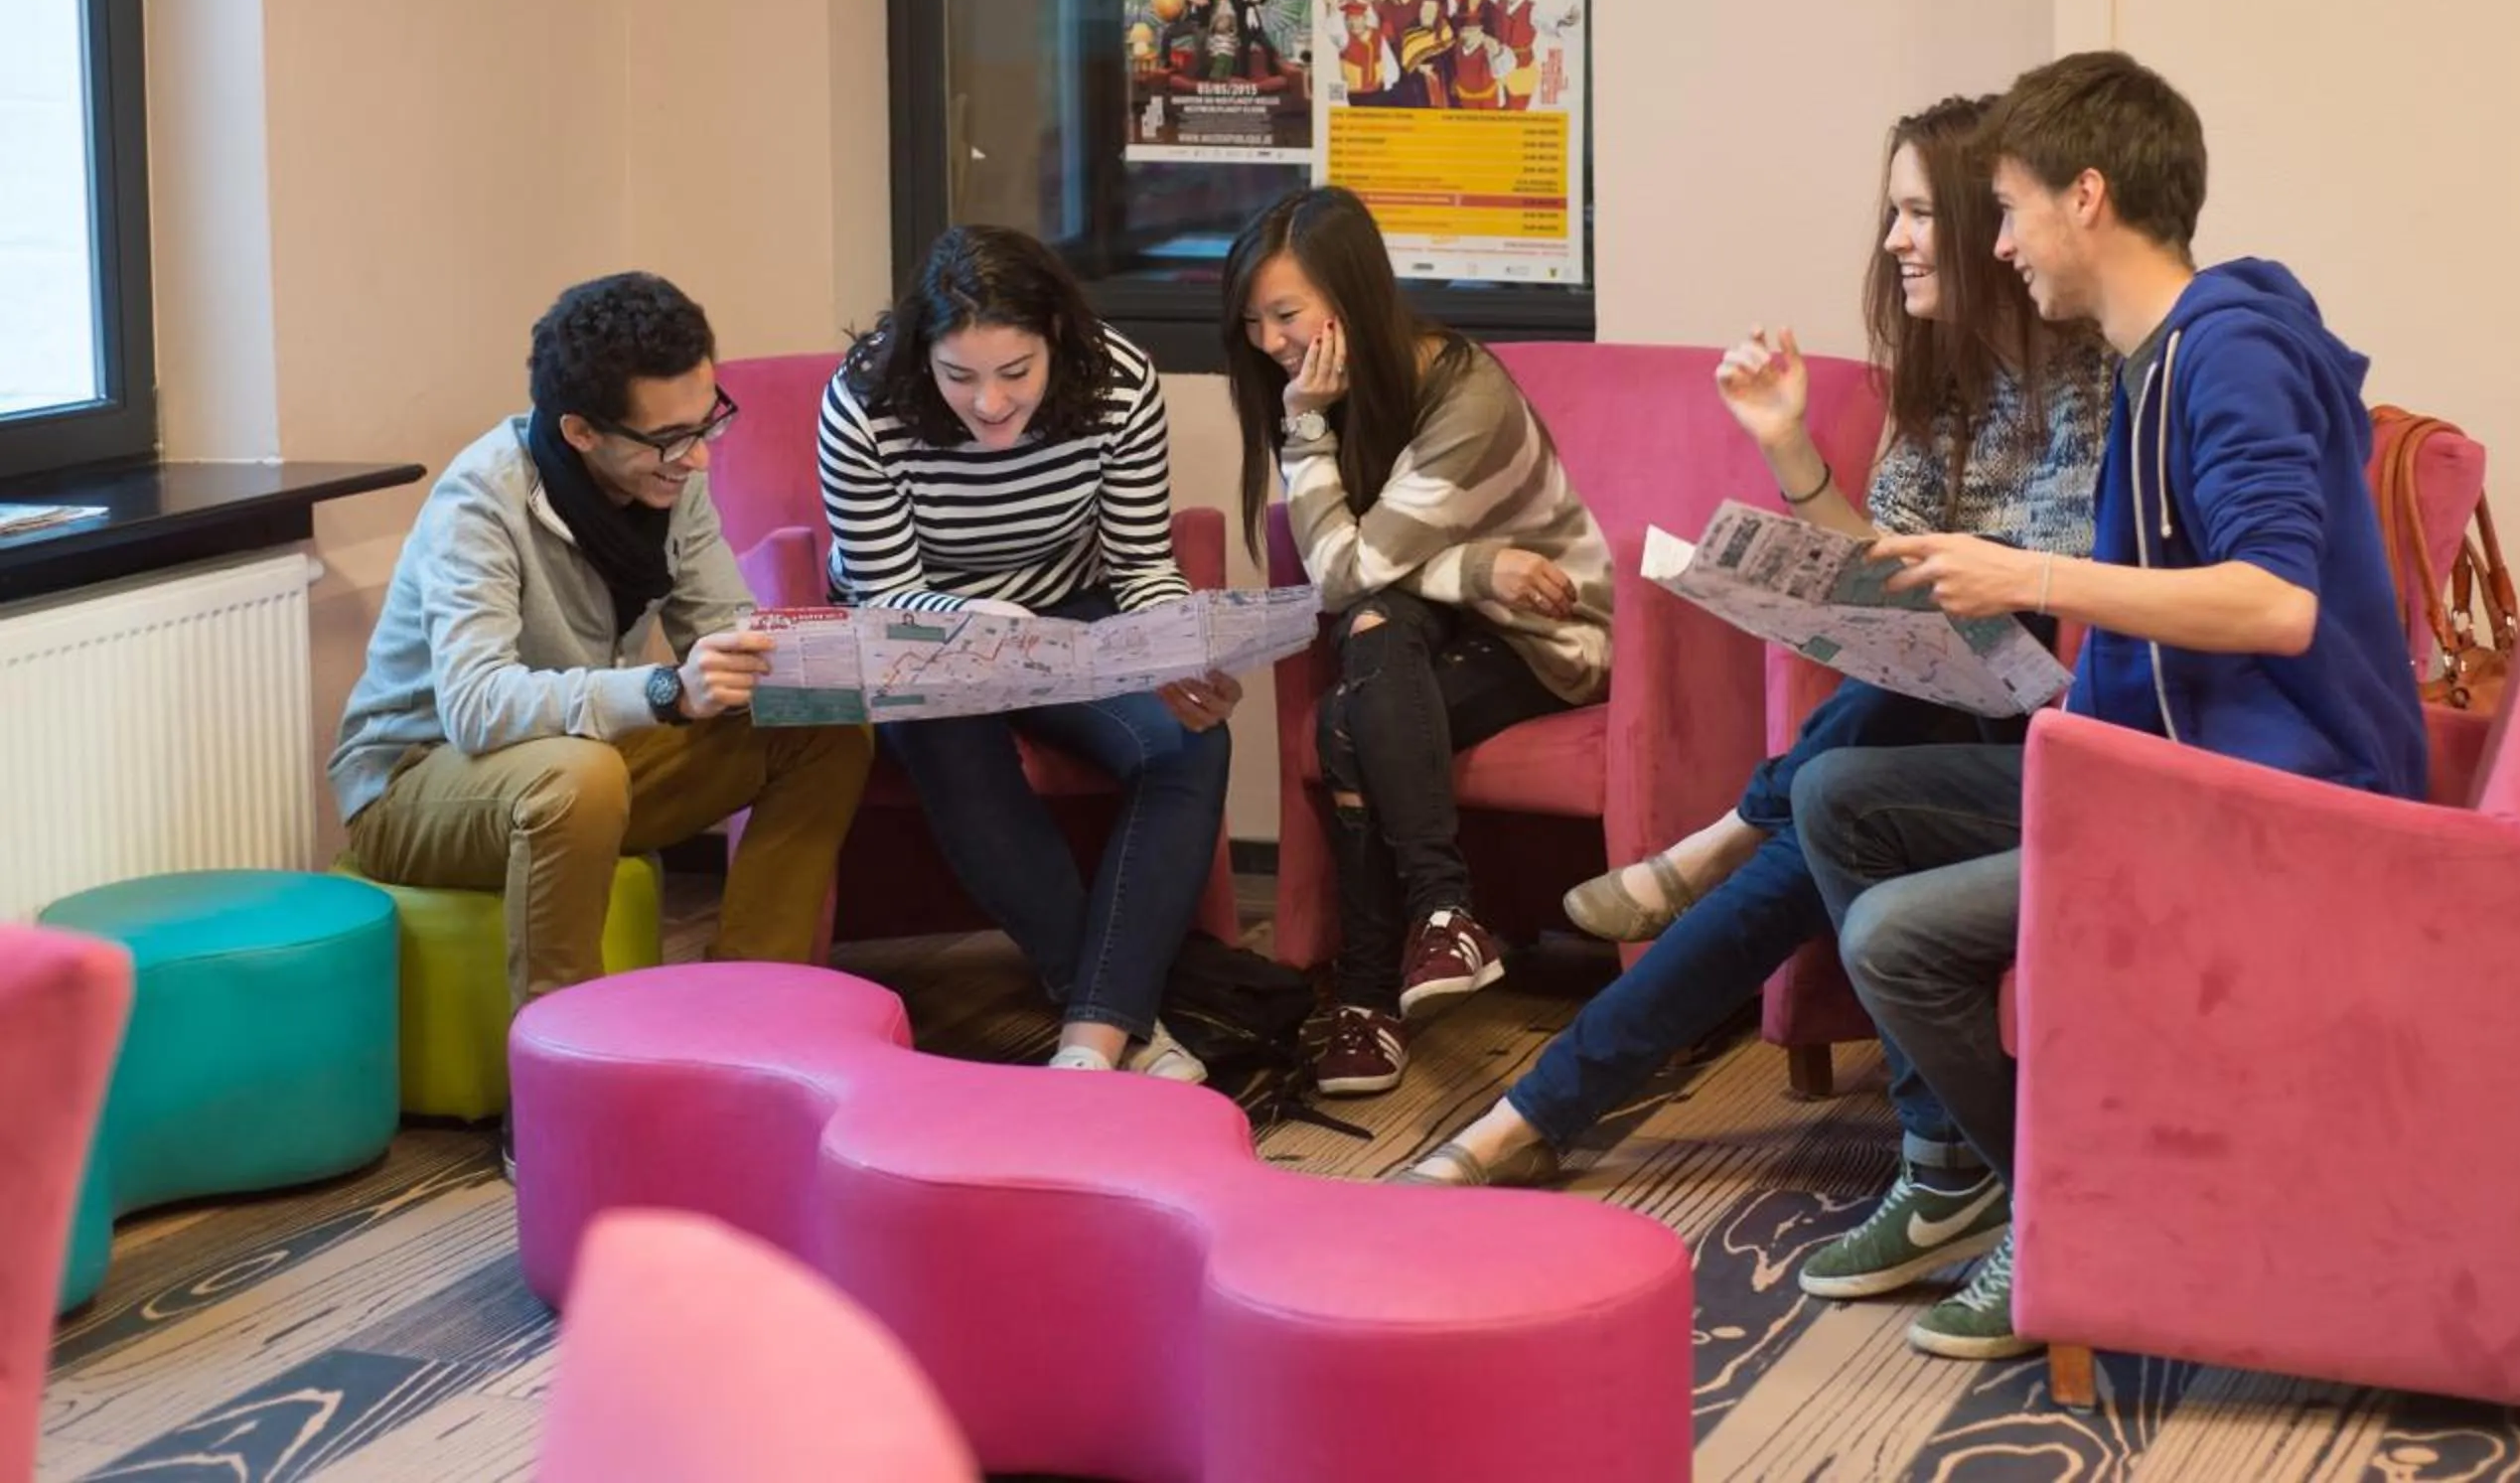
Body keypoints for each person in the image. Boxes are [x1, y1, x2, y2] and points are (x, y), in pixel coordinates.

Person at [1795, 50, 2428, 1359]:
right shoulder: (2155, 359)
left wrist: (2027, 574)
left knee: (1898, 939)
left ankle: (2065, 1211)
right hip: (2169, 775)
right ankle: (1969, 1175)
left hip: (2276, 808)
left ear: (2087, 197)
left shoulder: (2228, 360)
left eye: (2013, 207)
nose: (2003, 242)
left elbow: (2275, 604)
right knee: (1839, 795)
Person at [1394, 95, 2113, 1193]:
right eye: (1896, 213)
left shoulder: (2100, 383)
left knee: (1834, 781)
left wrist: (1964, 592)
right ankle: (1539, 1106)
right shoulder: (1950, 386)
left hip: (2062, 734)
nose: (1894, 241)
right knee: (1822, 810)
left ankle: (1690, 882)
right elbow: (1890, 574)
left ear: (1990, 223)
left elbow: (2057, 602)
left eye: (1920, 215)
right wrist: (1786, 443)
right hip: (1946, 719)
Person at [332, 274, 871, 1071]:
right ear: (581, 431)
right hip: (416, 785)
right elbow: (476, 707)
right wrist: (665, 690)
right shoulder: (480, 501)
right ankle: (560, 1080)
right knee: (576, 777)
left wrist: (841, 660)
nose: (694, 457)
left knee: (821, 726)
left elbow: (721, 627)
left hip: (581, 767)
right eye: (666, 440)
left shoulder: (670, 481)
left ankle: (752, 1031)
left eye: (707, 422)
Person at [818, 226, 1237, 1081]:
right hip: (921, 627)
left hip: (1070, 614)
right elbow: (884, 590)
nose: (991, 404)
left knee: (1189, 741)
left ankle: (1089, 1042)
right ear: (922, 356)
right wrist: (979, 618)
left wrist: (1170, 648)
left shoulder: (1119, 381)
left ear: (1057, 341)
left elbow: (1137, 558)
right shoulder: (863, 402)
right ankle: (1125, 1028)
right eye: (959, 376)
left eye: (1016, 373)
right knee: (952, 742)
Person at [1223, 186, 1613, 1096]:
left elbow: (1347, 568)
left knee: (1347, 712)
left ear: (1351, 295)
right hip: (1426, 632)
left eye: (1287, 314)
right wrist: (1472, 570)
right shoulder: (1319, 395)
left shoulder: (1462, 391)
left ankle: (1371, 994)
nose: (1272, 341)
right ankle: (1440, 921)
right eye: (1253, 321)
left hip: (1549, 641)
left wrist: (1311, 438)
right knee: (1373, 632)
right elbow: (1343, 578)